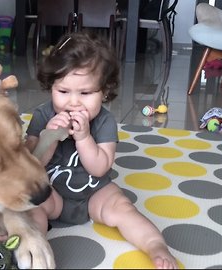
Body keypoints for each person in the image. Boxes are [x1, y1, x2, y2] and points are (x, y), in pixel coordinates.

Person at [24, 31, 178, 269]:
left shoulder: (104, 122)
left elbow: (100, 167)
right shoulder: (43, 115)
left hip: (95, 194)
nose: (73, 102)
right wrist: (49, 136)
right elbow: (30, 165)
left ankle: (155, 244)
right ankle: (32, 250)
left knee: (123, 208)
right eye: (63, 92)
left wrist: (84, 137)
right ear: (50, 86)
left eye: (85, 93)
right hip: (52, 194)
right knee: (30, 208)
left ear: (104, 91)